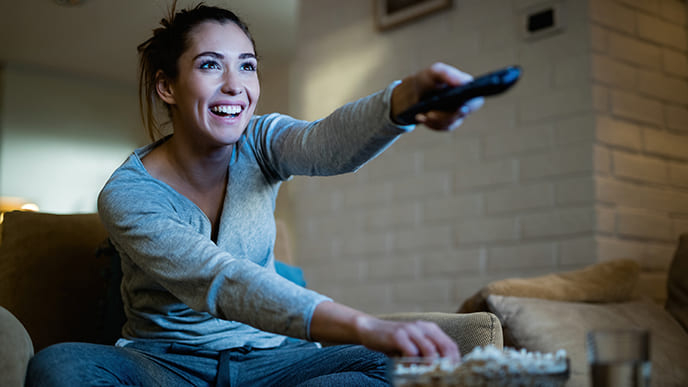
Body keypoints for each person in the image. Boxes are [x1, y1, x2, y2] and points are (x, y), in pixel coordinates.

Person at [26, 2, 483, 386]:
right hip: (165, 365)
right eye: (210, 65)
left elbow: (327, 144)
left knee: (392, 369)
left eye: (247, 66)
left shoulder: (261, 141)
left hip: (272, 360)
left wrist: (405, 100)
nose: (235, 85)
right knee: (60, 366)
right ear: (167, 86)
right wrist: (365, 325)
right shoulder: (128, 193)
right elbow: (219, 279)